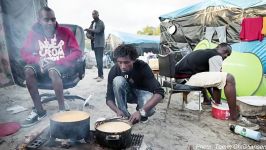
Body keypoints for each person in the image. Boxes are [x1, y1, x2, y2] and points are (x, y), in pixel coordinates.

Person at [20, 6, 82, 127]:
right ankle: (39, 111)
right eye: (46, 20)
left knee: (53, 70)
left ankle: (62, 111)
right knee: (28, 70)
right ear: (39, 20)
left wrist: (59, 61)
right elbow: (24, 52)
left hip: (60, 66)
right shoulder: (34, 34)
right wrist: (38, 60)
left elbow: (77, 52)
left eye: (53, 19)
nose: (51, 23)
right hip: (42, 65)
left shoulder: (65, 32)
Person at [175, 43, 259, 128]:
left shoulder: (206, 52)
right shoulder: (216, 56)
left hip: (180, 76)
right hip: (185, 80)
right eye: (226, 52)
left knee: (207, 75)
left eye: (228, 54)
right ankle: (234, 116)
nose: (226, 55)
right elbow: (216, 82)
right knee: (229, 78)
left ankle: (207, 100)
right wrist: (218, 102)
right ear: (218, 48)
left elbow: (209, 77)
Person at [106, 44, 164, 124]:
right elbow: (109, 98)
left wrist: (141, 111)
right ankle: (125, 116)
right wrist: (117, 111)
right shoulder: (114, 70)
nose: (123, 66)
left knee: (148, 111)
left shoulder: (143, 67)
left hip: (143, 96)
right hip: (128, 95)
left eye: (126, 62)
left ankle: (142, 114)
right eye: (120, 62)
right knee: (117, 80)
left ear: (133, 60)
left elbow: (159, 93)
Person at [85, 10, 105, 82]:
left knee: (100, 60)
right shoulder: (92, 23)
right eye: (92, 14)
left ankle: (101, 76)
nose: (93, 15)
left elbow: (98, 31)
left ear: (98, 14)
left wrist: (89, 30)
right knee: (97, 60)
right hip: (94, 44)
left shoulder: (101, 23)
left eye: (94, 14)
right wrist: (89, 36)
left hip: (99, 44)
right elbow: (88, 32)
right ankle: (99, 75)